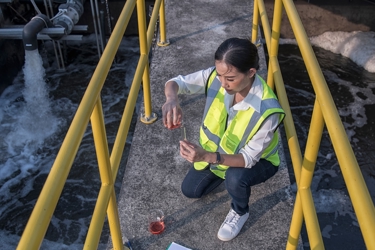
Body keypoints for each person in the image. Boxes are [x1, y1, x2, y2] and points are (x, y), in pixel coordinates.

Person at [162, 37, 285, 242]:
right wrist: (171, 99)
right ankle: (223, 175)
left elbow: (247, 159)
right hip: (215, 156)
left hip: (258, 162)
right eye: (219, 74)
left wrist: (207, 156)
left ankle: (240, 210)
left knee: (235, 178)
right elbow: (176, 82)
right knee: (190, 191)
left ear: (251, 73)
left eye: (230, 78)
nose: (222, 82)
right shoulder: (217, 77)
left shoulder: (267, 110)